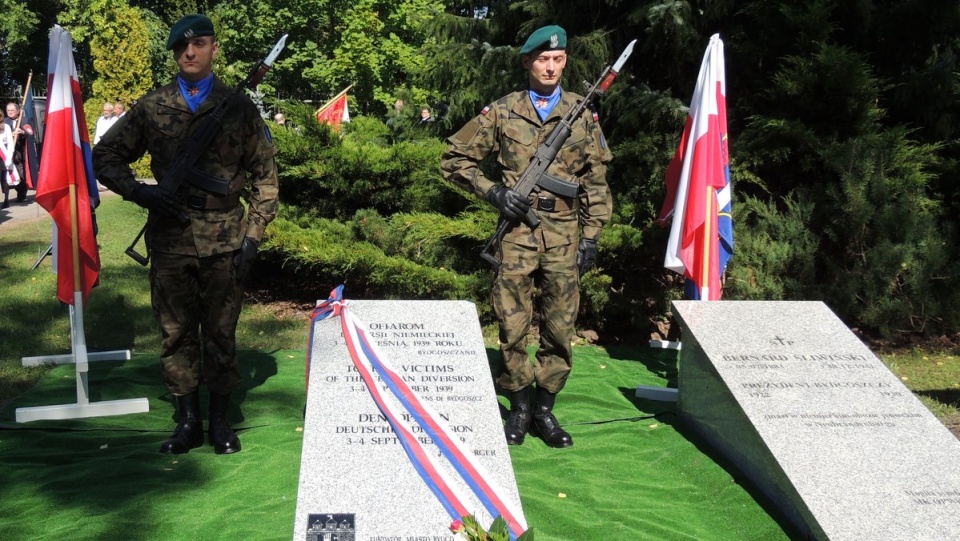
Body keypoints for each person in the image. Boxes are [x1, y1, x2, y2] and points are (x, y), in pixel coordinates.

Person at [92, 14, 280, 455]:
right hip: (171, 239)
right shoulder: (153, 106)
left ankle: (219, 422)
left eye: (198, 44)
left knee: (220, 332)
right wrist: (141, 192)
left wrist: (253, 235)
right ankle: (188, 422)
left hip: (226, 240)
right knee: (175, 332)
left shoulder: (238, 108)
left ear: (215, 48)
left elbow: (266, 177)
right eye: (181, 47)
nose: (189, 52)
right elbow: (105, 156)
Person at [441, 25, 612, 449]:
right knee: (512, 324)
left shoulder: (581, 114)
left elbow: (596, 182)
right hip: (516, 235)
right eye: (542, 59)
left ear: (565, 61)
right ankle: (518, 407)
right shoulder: (501, 112)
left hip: (565, 237)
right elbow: (454, 161)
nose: (550, 66)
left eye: (557, 59)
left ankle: (545, 410)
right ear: (527, 63)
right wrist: (494, 192)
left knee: (560, 325)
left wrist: (591, 235)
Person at [4, 102, 32, 202]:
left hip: (20, 153)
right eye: (8, 110)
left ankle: (21, 194)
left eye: (12, 110)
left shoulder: (24, 120)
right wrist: (11, 134)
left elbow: (31, 133)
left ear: (18, 111)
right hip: (7, 154)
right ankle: (6, 199)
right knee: (6, 176)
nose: (10, 112)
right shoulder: (4, 122)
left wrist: (22, 132)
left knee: (21, 175)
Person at [0, 119, 13, 208]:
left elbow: (10, 142)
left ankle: (6, 200)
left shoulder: (6, 127)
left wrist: (9, 156)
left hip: (3, 155)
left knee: (4, 178)